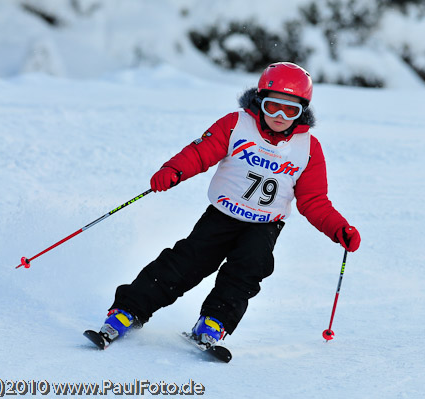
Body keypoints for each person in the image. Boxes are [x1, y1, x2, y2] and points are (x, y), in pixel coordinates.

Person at [97, 62, 361, 348]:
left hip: (264, 226)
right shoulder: (237, 124)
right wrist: (174, 170)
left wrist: (338, 229)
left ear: (303, 111)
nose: (280, 116)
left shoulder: (308, 148)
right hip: (221, 216)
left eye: (290, 110)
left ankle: (214, 322)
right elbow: (200, 153)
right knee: (184, 264)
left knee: (248, 270)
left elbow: (314, 200)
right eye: (273, 107)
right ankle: (128, 309)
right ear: (260, 101)